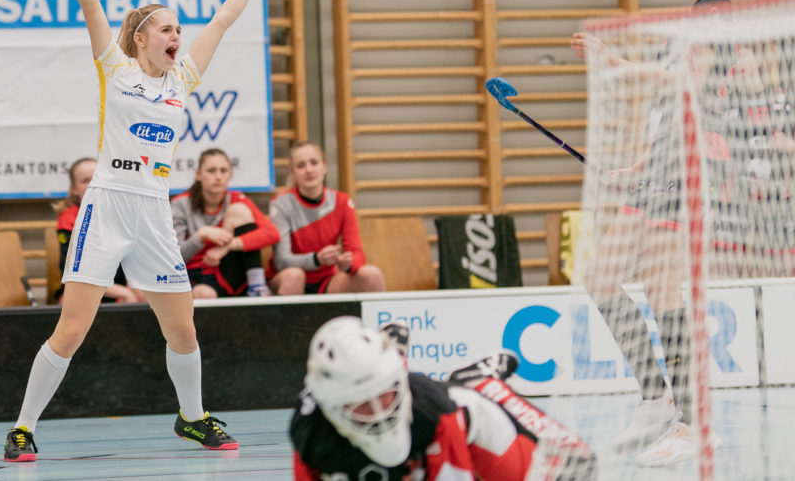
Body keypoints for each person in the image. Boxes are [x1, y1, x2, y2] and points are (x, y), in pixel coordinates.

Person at [2, 0, 270, 462]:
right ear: (142, 38)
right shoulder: (115, 70)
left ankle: (191, 417)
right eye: (168, 29)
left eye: (179, 30)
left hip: (153, 212)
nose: (178, 37)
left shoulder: (181, 79)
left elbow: (222, 21)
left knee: (183, 329)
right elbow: (90, 2)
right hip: (107, 206)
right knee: (72, 329)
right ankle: (22, 428)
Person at [570, 0, 757, 467]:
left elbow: (687, 87)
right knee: (601, 276)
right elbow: (674, 108)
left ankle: (694, 425)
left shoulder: (715, 15)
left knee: (662, 289)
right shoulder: (694, 17)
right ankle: (656, 397)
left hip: (693, 164)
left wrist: (616, 66)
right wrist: (639, 167)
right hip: (665, 162)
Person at [291, 317, 596, 481]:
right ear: (332, 408)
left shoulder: (435, 413)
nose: (379, 412)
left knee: (576, 469)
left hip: (469, 424)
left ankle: (479, 382)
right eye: (360, 404)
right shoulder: (311, 437)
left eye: (384, 396)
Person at [268, 141, 385, 295]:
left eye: (314, 163)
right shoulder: (280, 204)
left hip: (327, 280)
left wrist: (349, 263)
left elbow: (357, 253)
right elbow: (282, 261)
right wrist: (316, 259)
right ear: (292, 172)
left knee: (372, 275)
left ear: (325, 166)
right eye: (301, 165)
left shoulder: (342, 201)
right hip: (288, 277)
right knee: (294, 276)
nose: (309, 170)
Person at [170, 148, 279, 298]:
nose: (218, 177)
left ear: (230, 174)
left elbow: (272, 234)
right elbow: (175, 258)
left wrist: (228, 246)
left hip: (228, 269)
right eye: (211, 171)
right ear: (198, 174)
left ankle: (257, 288)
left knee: (239, 210)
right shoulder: (181, 204)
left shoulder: (237, 198)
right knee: (203, 293)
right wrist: (201, 235)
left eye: (223, 171)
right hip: (198, 273)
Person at [54, 157, 143, 304]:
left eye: (98, 177)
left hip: (116, 287)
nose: (94, 184)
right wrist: (123, 292)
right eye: (85, 180)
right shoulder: (69, 219)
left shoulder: (121, 214)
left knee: (144, 294)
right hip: (81, 288)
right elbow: (75, 274)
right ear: (74, 189)